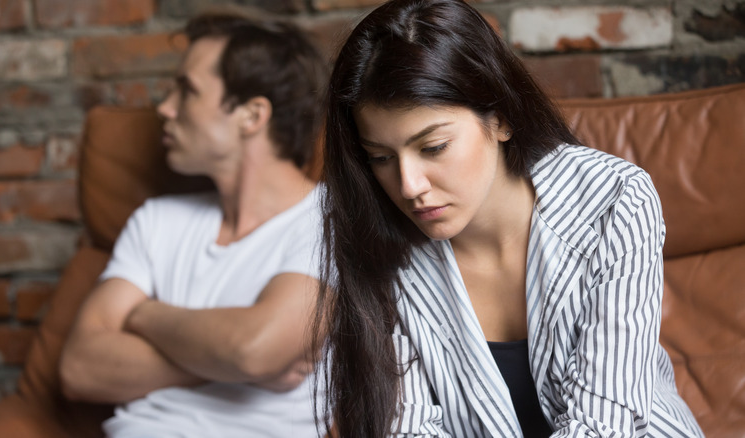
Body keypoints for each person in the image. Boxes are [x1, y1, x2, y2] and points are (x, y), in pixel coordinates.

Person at [312, 0, 705, 436]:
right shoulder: (380, 238)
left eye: (433, 147)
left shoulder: (611, 200)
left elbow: (602, 425)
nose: (408, 185)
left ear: (500, 118)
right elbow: (409, 428)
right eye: (381, 157)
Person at [60, 10, 328, 438]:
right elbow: (78, 368)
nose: (165, 108)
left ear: (251, 115)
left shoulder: (330, 222)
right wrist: (231, 368)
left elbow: (251, 350)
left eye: (187, 91)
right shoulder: (156, 220)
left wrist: (145, 315)